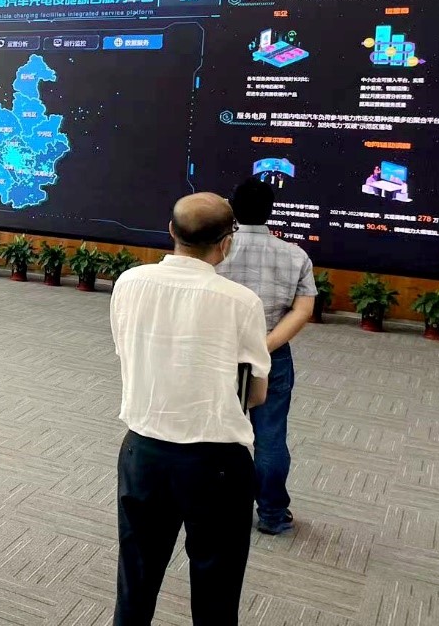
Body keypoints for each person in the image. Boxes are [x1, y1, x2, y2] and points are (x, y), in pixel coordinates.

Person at [110, 192, 271, 626]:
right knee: (217, 591)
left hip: (143, 453)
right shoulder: (240, 301)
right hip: (216, 463)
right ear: (226, 242)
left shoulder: (130, 282)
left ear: (171, 231)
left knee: (135, 584)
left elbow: (125, 351)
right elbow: (255, 393)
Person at [217, 177, 317, 535]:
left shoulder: (216, 251)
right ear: (271, 210)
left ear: (233, 209)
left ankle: (220, 509)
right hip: (273, 355)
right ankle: (272, 514)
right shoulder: (295, 255)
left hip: (219, 352)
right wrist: (265, 345)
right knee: (271, 436)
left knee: (218, 432)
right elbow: (303, 310)